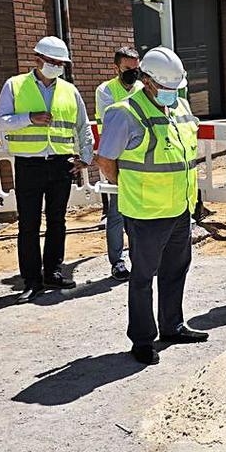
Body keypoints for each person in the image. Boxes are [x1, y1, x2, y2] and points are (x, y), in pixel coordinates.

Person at [95, 46, 208, 365]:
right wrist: (129, 187)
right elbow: (106, 160)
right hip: (145, 213)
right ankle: (142, 339)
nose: (172, 94)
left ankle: (172, 325)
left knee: (176, 270)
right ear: (146, 80)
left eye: (176, 88)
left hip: (180, 208)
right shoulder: (124, 112)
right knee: (143, 276)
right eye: (166, 88)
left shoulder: (182, 106)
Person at [0, 36, 94, 303]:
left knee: (58, 221)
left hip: (62, 164)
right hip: (29, 164)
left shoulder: (69, 90)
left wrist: (85, 157)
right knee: (29, 225)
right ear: (37, 59)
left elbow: (82, 126)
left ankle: (53, 272)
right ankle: (32, 281)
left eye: (60, 63)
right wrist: (29, 119)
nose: (57, 66)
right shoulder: (15, 85)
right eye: (52, 61)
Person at [95, 46, 142, 282]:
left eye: (136, 68)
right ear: (117, 68)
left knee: (139, 212)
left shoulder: (144, 88)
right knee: (116, 213)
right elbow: (114, 122)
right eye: (128, 69)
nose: (133, 73)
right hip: (116, 158)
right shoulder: (106, 91)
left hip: (139, 157)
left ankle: (140, 258)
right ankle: (117, 262)